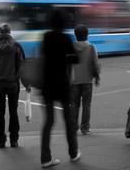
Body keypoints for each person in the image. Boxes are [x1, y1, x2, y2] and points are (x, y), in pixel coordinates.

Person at [40, 9, 80, 168]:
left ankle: (45, 158)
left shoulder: (46, 37)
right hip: (62, 84)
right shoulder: (66, 38)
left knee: (48, 121)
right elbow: (75, 58)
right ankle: (73, 152)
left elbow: (43, 55)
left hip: (47, 84)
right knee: (68, 120)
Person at [0, 23, 31, 148]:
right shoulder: (16, 46)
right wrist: (26, 84)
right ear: (9, 32)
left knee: (0, 112)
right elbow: (22, 67)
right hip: (13, 84)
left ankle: (0, 140)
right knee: (13, 112)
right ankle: (14, 139)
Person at [71, 24, 100, 135]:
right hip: (87, 80)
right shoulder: (91, 47)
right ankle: (85, 128)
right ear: (87, 35)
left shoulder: (71, 47)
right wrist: (97, 76)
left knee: (74, 104)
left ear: (75, 35)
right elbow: (95, 63)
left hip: (74, 80)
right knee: (86, 105)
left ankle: (73, 127)